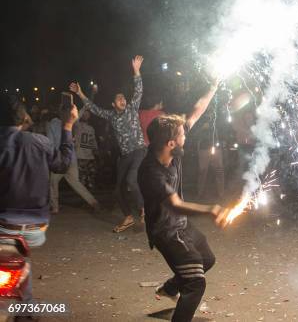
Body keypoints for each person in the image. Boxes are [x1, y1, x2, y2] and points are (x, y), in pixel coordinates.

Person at [138, 81, 228, 322]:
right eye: (182, 135)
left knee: (207, 259)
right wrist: (211, 209)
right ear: (170, 143)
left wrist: (212, 87)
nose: (186, 136)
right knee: (196, 283)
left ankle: (169, 288)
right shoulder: (151, 172)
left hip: (181, 224)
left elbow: (195, 112)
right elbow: (174, 204)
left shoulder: (170, 149)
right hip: (165, 231)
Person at [0, 94, 77, 304]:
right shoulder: (40, 142)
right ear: (23, 117)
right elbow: (62, 164)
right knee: (20, 259)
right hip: (35, 229)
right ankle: (27, 308)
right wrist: (68, 125)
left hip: (3, 227)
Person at [70, 55, 147, 232]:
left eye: (123, 98)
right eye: (119, 99)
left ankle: (144, 211)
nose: (123, 99)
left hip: (139, 151)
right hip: (125, 155)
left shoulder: (132, 108)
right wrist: (80, 93)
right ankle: (128, 217)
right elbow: (94, 108)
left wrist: (136, 71)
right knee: (117, 190)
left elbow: (138, 91)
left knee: (131, 180)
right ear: (114, 104)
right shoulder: (111, 115)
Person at [47, 105, 100, 213]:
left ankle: (55, 207)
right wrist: (86, 103)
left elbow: (50, 143)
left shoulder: (51, 124)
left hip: (59, 158)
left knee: (53, 182)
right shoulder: (72, 123)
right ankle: (93, 202)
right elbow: (79, 115)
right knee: (76, 183)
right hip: (71, 157)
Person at [73, 109, 99, 189]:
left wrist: (96, 149)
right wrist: (84, 107)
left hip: (90, 156)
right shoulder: (77, 126)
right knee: (82, 177)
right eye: (84, 114)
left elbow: (93, 140)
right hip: (80, 155)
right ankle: (82, 195)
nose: (86, 115)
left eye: (87, 114)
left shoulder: (91, 128)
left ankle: (90, 195)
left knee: (91, 175)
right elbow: (76, 118)